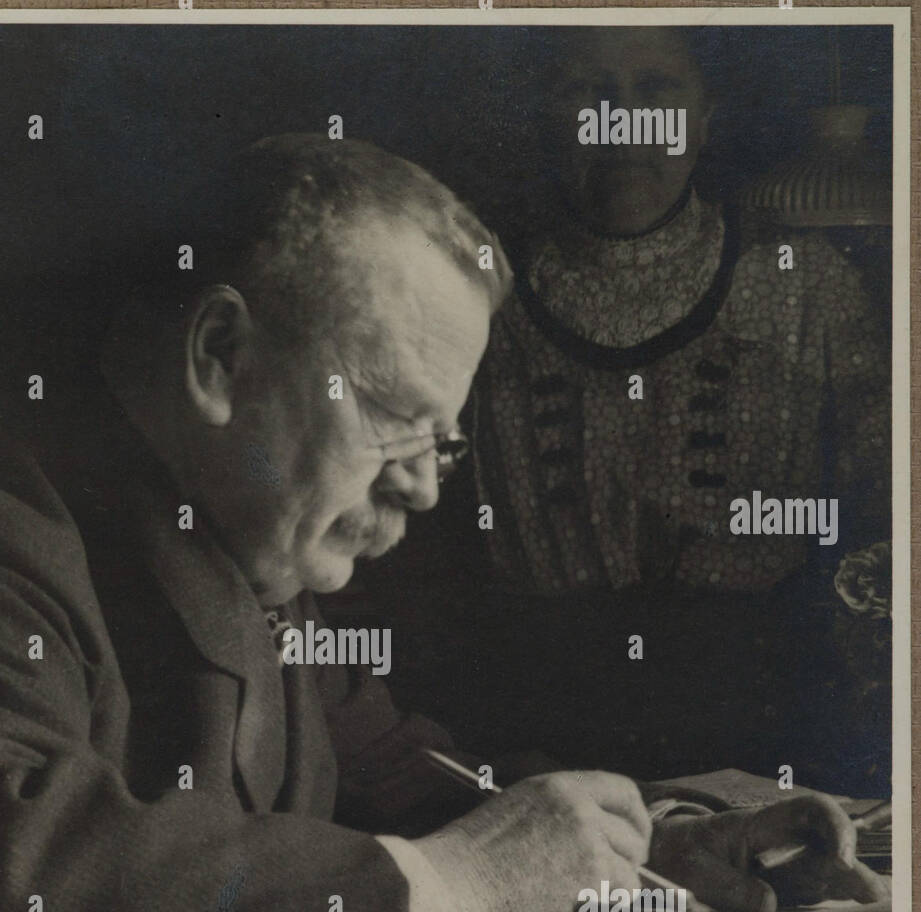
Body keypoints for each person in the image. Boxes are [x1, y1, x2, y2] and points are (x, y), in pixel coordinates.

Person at [0, 135, 884, 912]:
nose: (420, 487)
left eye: (443, 444)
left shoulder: (256, 561)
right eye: (392, 417)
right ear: (218, 357)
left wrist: (655, 857)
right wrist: (447, 894)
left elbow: (421, 788)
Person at [356, 28, 891, 788]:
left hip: (766, 723)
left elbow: (886, 514)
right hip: (529, 726)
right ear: (547, 117)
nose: (622, 124)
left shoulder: (805, 282)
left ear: (704, 119)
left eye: (656, 91)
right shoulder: (474, 298)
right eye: (588, 91)